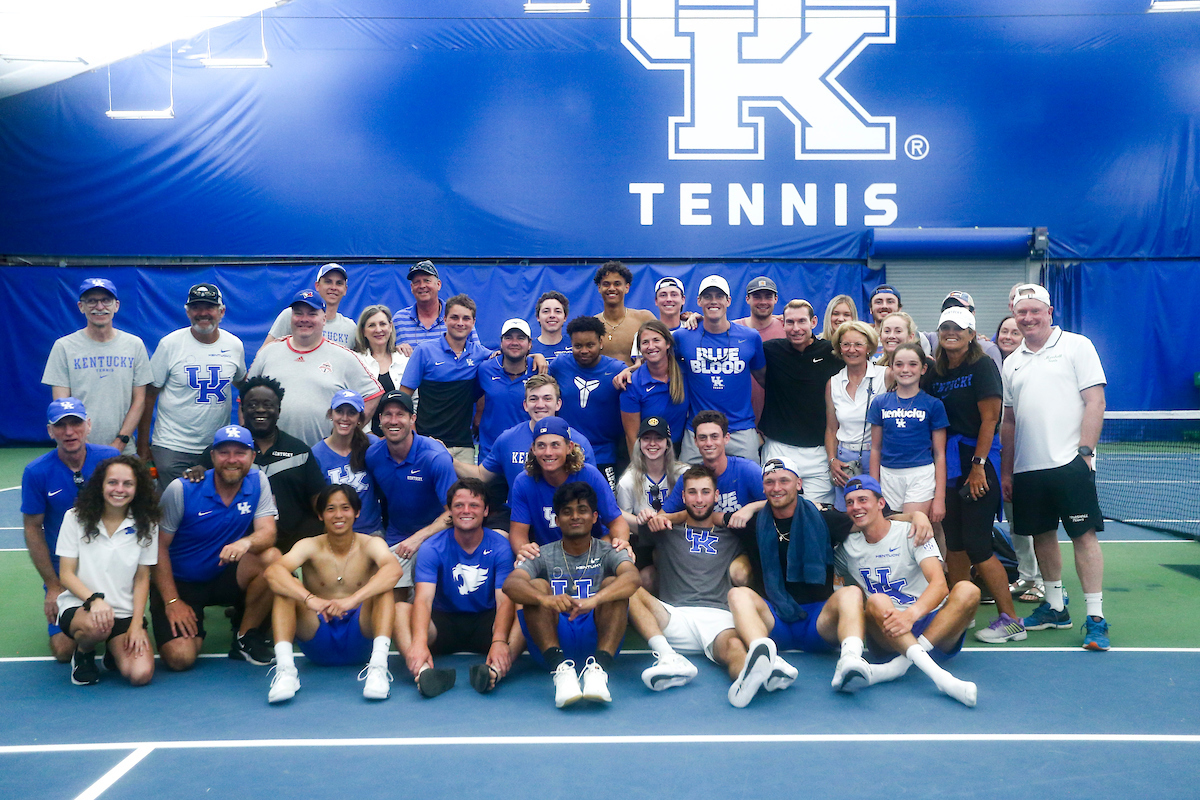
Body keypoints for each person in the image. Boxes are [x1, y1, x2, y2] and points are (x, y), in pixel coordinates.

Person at [725, 458, 915, 705]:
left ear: (799, 484)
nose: (777, 487)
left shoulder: (824, 518)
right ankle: (769, 662)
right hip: (775, 623)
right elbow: (703, 514)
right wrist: (749, 508)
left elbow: (878, 519)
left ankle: (850, 661)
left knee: (851, 594)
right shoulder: (751, 522)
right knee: (737, 595)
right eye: (769, 482)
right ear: (763, 488)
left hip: (818, 624)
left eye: (784, 480)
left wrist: (916, 517)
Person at [1001, 284, 1110, 650]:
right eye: (1021, 312)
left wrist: (1085, 452)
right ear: (1014, 315)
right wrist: (1007, 471)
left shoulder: (1078, 346)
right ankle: (1055, 607)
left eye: (1035, 311)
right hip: (1028, 469)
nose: (1028, 318)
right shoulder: (1011, 361)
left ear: (1050, 312)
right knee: (1041, 537)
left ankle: (1095, 616)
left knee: (1083, 537)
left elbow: (1095, 401)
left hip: (1070, 462)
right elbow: (1010, 422)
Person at [924, 307, 1025, 643]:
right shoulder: (934, 373)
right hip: (948, 465)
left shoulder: (982, 366)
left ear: (971, 334)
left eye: (959, 328)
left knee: (980, 544)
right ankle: (961, 610)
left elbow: (990, 420)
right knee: (954, 543)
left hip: (978, 462)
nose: (951, 332)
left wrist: (978, 465)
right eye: (945, 328)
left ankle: (1011, 620)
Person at [835, 476, 980, 707]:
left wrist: (910, 615)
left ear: (881, 504)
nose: (856, 507)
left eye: (863, 500)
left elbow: (940, 585)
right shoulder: (846, 547)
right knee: (877, 600)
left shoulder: (911, 531)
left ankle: (898, 667)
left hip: (930, 625)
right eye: (850, 502)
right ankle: (941, 678)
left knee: (968, 590)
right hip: (886, 630)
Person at [626, 466, 766, 704]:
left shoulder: (734, 533)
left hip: (719, 617)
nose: (699, 499)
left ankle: (746, 679)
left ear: (716, 495)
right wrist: (645, 517)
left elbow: (776, 507)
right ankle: (669, 658)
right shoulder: (665, 529)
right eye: (692, 492)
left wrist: (751, 507)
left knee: (735, 647)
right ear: (683, 497)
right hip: (674, 617)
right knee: (627, 588)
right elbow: (615, 518)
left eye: (705, 492)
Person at [151, 425, 280, 672]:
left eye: (240, 453)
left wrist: (246, 542)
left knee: (272, 559)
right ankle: (187, 620)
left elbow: (268, 533)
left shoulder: (258, 481)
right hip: (181, 583)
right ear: (212, 457)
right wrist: (172, 600)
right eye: (224, 453)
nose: (232, 460)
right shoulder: (182, 489)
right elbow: (158, 547)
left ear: (252, 457)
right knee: (180, 658)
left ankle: (244, 638)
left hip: (224, 574)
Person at [504, 482, 641, 707]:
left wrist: (596, 599)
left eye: (582, 510)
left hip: (597, 636)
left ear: (595, 516)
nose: (575, 517)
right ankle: (561, 671)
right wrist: (544, 599)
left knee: (613, 585)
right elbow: (511, 584)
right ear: (557, 520)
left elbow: (633, 578)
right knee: (536, 587)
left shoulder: (609, 551)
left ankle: (598, 670)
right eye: (567, 512)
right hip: (554, 639)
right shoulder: (542, 553)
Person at [263, 484, 402, 703]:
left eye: (345, 508)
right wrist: (312, 600)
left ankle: (378, 668)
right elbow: (273, 572)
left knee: (383, 587)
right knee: (284, 588)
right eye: (330, 509)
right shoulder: (308, 545)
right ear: (320, 515)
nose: (338, 515)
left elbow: (394, 570)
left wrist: (352, 600)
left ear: (356, 512)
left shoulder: (372, 543)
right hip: (318, 636)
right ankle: (286, 671)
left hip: (360, 637)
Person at [22, 398, 121, 662]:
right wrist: (52, 585)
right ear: (49, 431)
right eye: (60, 425)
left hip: (109, 566)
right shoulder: (36, 472)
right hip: (65, 570)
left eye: (76, 423)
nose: (69, 432)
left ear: (88, 425)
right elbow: (33, 528)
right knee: (64, 652)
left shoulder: (110, 459)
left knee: (122, 649)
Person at [403, 479, 520, 697]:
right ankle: (424, 673)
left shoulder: (500, 546)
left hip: (486, 622)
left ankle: (493, 672)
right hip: (443, 624)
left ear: (485, 511)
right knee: (401, 610)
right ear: (449, 511)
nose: (466, 511)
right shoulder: (432, 547)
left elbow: (504, 600)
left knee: (523, 607)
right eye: (459, 505)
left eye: (474, 505)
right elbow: (423, 600)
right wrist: (419, 642)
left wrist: (499, 641)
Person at [363, 390, 457, 652]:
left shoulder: (435, 457)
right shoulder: (373, 455)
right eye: (388, 415)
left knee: (424, 615)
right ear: (379, 420)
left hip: (437, 540)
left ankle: (421, 651)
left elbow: (454, 513)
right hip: (396, 539)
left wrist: (419, 538)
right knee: (391, 610)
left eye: (401, 414)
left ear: (412, 419)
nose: (394, 420)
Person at [55, 455, 159, 687]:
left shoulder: (147, 523)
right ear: (101, 484)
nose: (119, 489)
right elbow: (66, 574)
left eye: (127, 484)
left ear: (137, 487)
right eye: (112, 482)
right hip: (82, 607)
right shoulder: (75, 518)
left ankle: (114, 650)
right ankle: (84, 652)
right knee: (95, 626)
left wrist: (136, 626)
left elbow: (142, 578)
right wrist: (94, 600)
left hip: (123, 612)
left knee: (140, 674)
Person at [193, 376, 326, 552]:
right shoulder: (224, 451)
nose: (260, 410)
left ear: (278, 410)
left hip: (293, 546)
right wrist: (196, 473)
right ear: (242, 409)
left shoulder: (299, 450)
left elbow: (320, 500)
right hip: (237, 546)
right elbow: (198, 485)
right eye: (252, 405)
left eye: (268, 405)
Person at [138, 283, 247, 488]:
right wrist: (143, 445)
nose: (203, 313)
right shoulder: (170, 344)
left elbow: (245, 386)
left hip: (217, 447)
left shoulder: (234, 345)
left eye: (210, 307)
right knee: (173, 509)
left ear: (221, 311)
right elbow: (149, 395)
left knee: (211, 509)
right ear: (187, 312)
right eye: (197, 307)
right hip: (172, 446)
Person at [457, 375, 598, 531]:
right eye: (533, 399)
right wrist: (448, 458)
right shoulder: (507, 439)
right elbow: (481, 475)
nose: (540, 405)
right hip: (519, 517)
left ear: (558, 404)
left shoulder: (579, 442)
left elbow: (592, 490)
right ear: (525, 405)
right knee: (497, 540)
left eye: (547, 399)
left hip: (566, 518)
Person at [246, 289, 383, 447]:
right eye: (298, 313)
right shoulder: (268, 353)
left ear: (324, 319)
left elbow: (373, 394)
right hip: (273, 457)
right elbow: (245, 399)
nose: (304, 319)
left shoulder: (344, 356)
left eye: (312, 314)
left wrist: (348, 433)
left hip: (323, 458)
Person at [42, 278, 151, 454]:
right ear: (81, 307)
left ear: (116, 305)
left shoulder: (134, 345)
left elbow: (139, 400)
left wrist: (120, 442)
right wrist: (83, 444)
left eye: (105, 301)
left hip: (123, 449)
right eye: (92, 301)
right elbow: (62, 403)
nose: (99, 307)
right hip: (77, 450)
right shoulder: (63, 347)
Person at [673, 275, 766, 462]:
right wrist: (630, 370)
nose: (713, 301)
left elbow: (766, 381)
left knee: (751, 485)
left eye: (719, 296)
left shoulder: (750, 337)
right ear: (699, 301)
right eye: (707, 296)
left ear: (728, 301)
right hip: (698, 430)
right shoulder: (682, 337)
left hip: (740, 429)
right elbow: (656, 358)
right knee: (687, 485)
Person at [759, 299, 843, 506]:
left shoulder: (833, 352)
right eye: (790, 322)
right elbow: (733, 332)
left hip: (819, 453)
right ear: (782, 324)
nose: (796, 328)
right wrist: (697, 317)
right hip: (779, 449)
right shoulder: (770, 350)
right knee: (777, 512)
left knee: (817, 516)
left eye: (802, 321)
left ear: (813, 322)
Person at [508, 417, 630, 556]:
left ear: (569, 447)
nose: (548, 452)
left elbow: (617, 523)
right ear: (533, 449)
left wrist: (619, 544)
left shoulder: (589, 475)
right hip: (548, 557)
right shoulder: (524, 482)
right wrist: (524, 550)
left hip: (593, 552)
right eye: (541, 445)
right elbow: (518, 533)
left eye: (555, 445)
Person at [400, 293, 493, 463]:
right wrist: (412, 434)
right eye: (454, 317)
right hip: (427, 443)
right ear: (444, 319)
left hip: (464, 445)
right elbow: (403, 397)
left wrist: (537, 356)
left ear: (473, 322)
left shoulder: (482, 355)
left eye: (466, 318)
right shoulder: (424, 351)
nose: (460, 323)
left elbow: (509, 357)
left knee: (467, 490)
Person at [868, 341, 948, 524]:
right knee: (891, 531)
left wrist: (940, 498)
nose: (906, 369)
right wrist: (873, 488)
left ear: (923, 369)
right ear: (891, 367)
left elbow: (940, 454)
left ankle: (940, 554)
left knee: (911, 530)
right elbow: (875, 448)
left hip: (920, 475)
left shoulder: (933, 404)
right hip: (888, 474)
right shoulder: (880, 403)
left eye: (913, 364)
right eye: (899, 364)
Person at [993, 315, 1042, 603]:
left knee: (1035, 524)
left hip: (1029, 457)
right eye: (1004, 332)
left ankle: (1044, 581)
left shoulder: (1031, 368)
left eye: (1014, 332)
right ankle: (1026, 575)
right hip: (1002, 458)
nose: (1008, 336)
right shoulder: (994, 365)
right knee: (1015, 523)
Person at [655, 411, 766, 534]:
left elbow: (778, 501)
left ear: (726, 438)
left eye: (714, 436)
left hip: (743, 542)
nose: (708, 443)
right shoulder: (690, 478)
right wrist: (652, 518)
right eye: (703, 438)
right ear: (695, 441)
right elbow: (662, 517)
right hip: (703, 545)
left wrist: (751, 508)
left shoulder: (747, 470)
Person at [550, 316, 628, 485]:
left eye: (590, 345)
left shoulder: (617, 369)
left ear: (601, 342)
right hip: (566, 452)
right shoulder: (559, 365)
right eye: (578, 346)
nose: (584, 350)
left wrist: (633, 369)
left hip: (604, 454)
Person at [616, 416, 688, 588]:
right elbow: (619, 520)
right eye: (646, 438)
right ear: (639, 443)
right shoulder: (627, 481)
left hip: (678, 539)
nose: (652, 444)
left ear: (668, 443)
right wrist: (639, 519)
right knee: (646, 578)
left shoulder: (684, 474)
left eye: (658, 438)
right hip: (645, 543)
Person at [825, 320, 885, 510]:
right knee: (847, 514)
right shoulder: (833, 383)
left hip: (878, 456)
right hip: (845, 459)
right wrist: (832, 460)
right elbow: (831, 429)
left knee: (877, 511)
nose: (852, 350)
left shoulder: (886, 376)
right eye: (846, 344)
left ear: (869, 348)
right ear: (839, 348)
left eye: (858, 344)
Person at [311, 390, 384, 538]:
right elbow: (316, 503)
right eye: (339, 411)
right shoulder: (316, 453)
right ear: (331, 415)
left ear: (359, 418)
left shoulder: (372, 445)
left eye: (351, 412)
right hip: (335, 534)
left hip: (372, 532)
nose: (344, 418)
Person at [619, 319, 688, 455]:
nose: (651, 346)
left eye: (656, 340)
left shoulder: (685, 371)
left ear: (668, 343)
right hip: (649, 451)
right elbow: (632, 437)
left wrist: (697, 317)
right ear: (639, 349)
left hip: (683, 449)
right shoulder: (632, 384)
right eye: (645, 342)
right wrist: (639, 471)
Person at [476, 318, 538, 463]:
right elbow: (477, 397)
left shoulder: (539, 370)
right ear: (501, 342)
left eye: (521, 338)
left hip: (527, 455)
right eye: (508, 338)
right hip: (490, 454)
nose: (514, 342)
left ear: (530, 344)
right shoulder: (485, 369)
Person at [391, 260, 483, 353]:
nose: (422, 286)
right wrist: (396, 349)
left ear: (438, 285)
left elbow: (477, 353)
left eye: (427, 281)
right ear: (411, 288)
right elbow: (384, 355)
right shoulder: (399, 320)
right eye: (417, 282)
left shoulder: (457, 317)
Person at [264, 263, 358, 348]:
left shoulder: (350, 327)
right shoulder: (292, 315)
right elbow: (264, 353)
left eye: (339, 283)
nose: (333, 287)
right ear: (317, 286)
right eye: (328, 282)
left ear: (345, 289)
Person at [733, 276, 786, 423]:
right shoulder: (731, 330)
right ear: (747, 299)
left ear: (776, 299)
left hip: (778, 417)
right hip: (740, 419)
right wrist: (695, 318)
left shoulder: (787, 329)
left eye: (768, 297)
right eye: (757, 296)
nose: (763, 302)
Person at [354, 304, 411, 437]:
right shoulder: (355, 361)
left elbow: (414, 400)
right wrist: (370, 436)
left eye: (382, 324)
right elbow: (354, 404)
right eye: (371, 325)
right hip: (364, 439)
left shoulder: (404, 360)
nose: (378, 329)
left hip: (401, 437)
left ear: (390, 327)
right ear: (363, 331)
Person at [592, 261, 657, 367]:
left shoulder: (644, 318)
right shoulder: (593, 325)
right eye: (606, 284)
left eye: (617, 284)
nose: (612, 288)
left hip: (638, 382)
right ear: (599, 288)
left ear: (627, 287)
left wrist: (689, 319)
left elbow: (667, 346)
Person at [531, 291, 573, 362]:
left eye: (557, 311)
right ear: (538, 317)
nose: (552, 315)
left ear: (565, 317)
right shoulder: (529, 348)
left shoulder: (574, 345)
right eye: (546, 311)